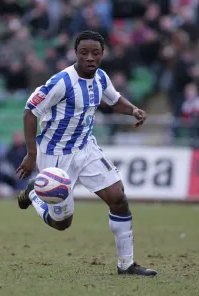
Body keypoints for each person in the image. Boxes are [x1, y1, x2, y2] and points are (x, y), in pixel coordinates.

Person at [16, 31, 157, 276]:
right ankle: (35, 194)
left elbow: (114, 101)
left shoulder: (101, 77)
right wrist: (31, 154)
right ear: (76, 54)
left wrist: (133, 110)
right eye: (84, 53)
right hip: (57, 156)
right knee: (62, 224)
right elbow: (30, 112)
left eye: (95, 53)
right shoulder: (61, 82)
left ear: (103, 54)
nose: (90, 57)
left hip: (86, 148)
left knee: (118, 198)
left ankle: (126, 265)